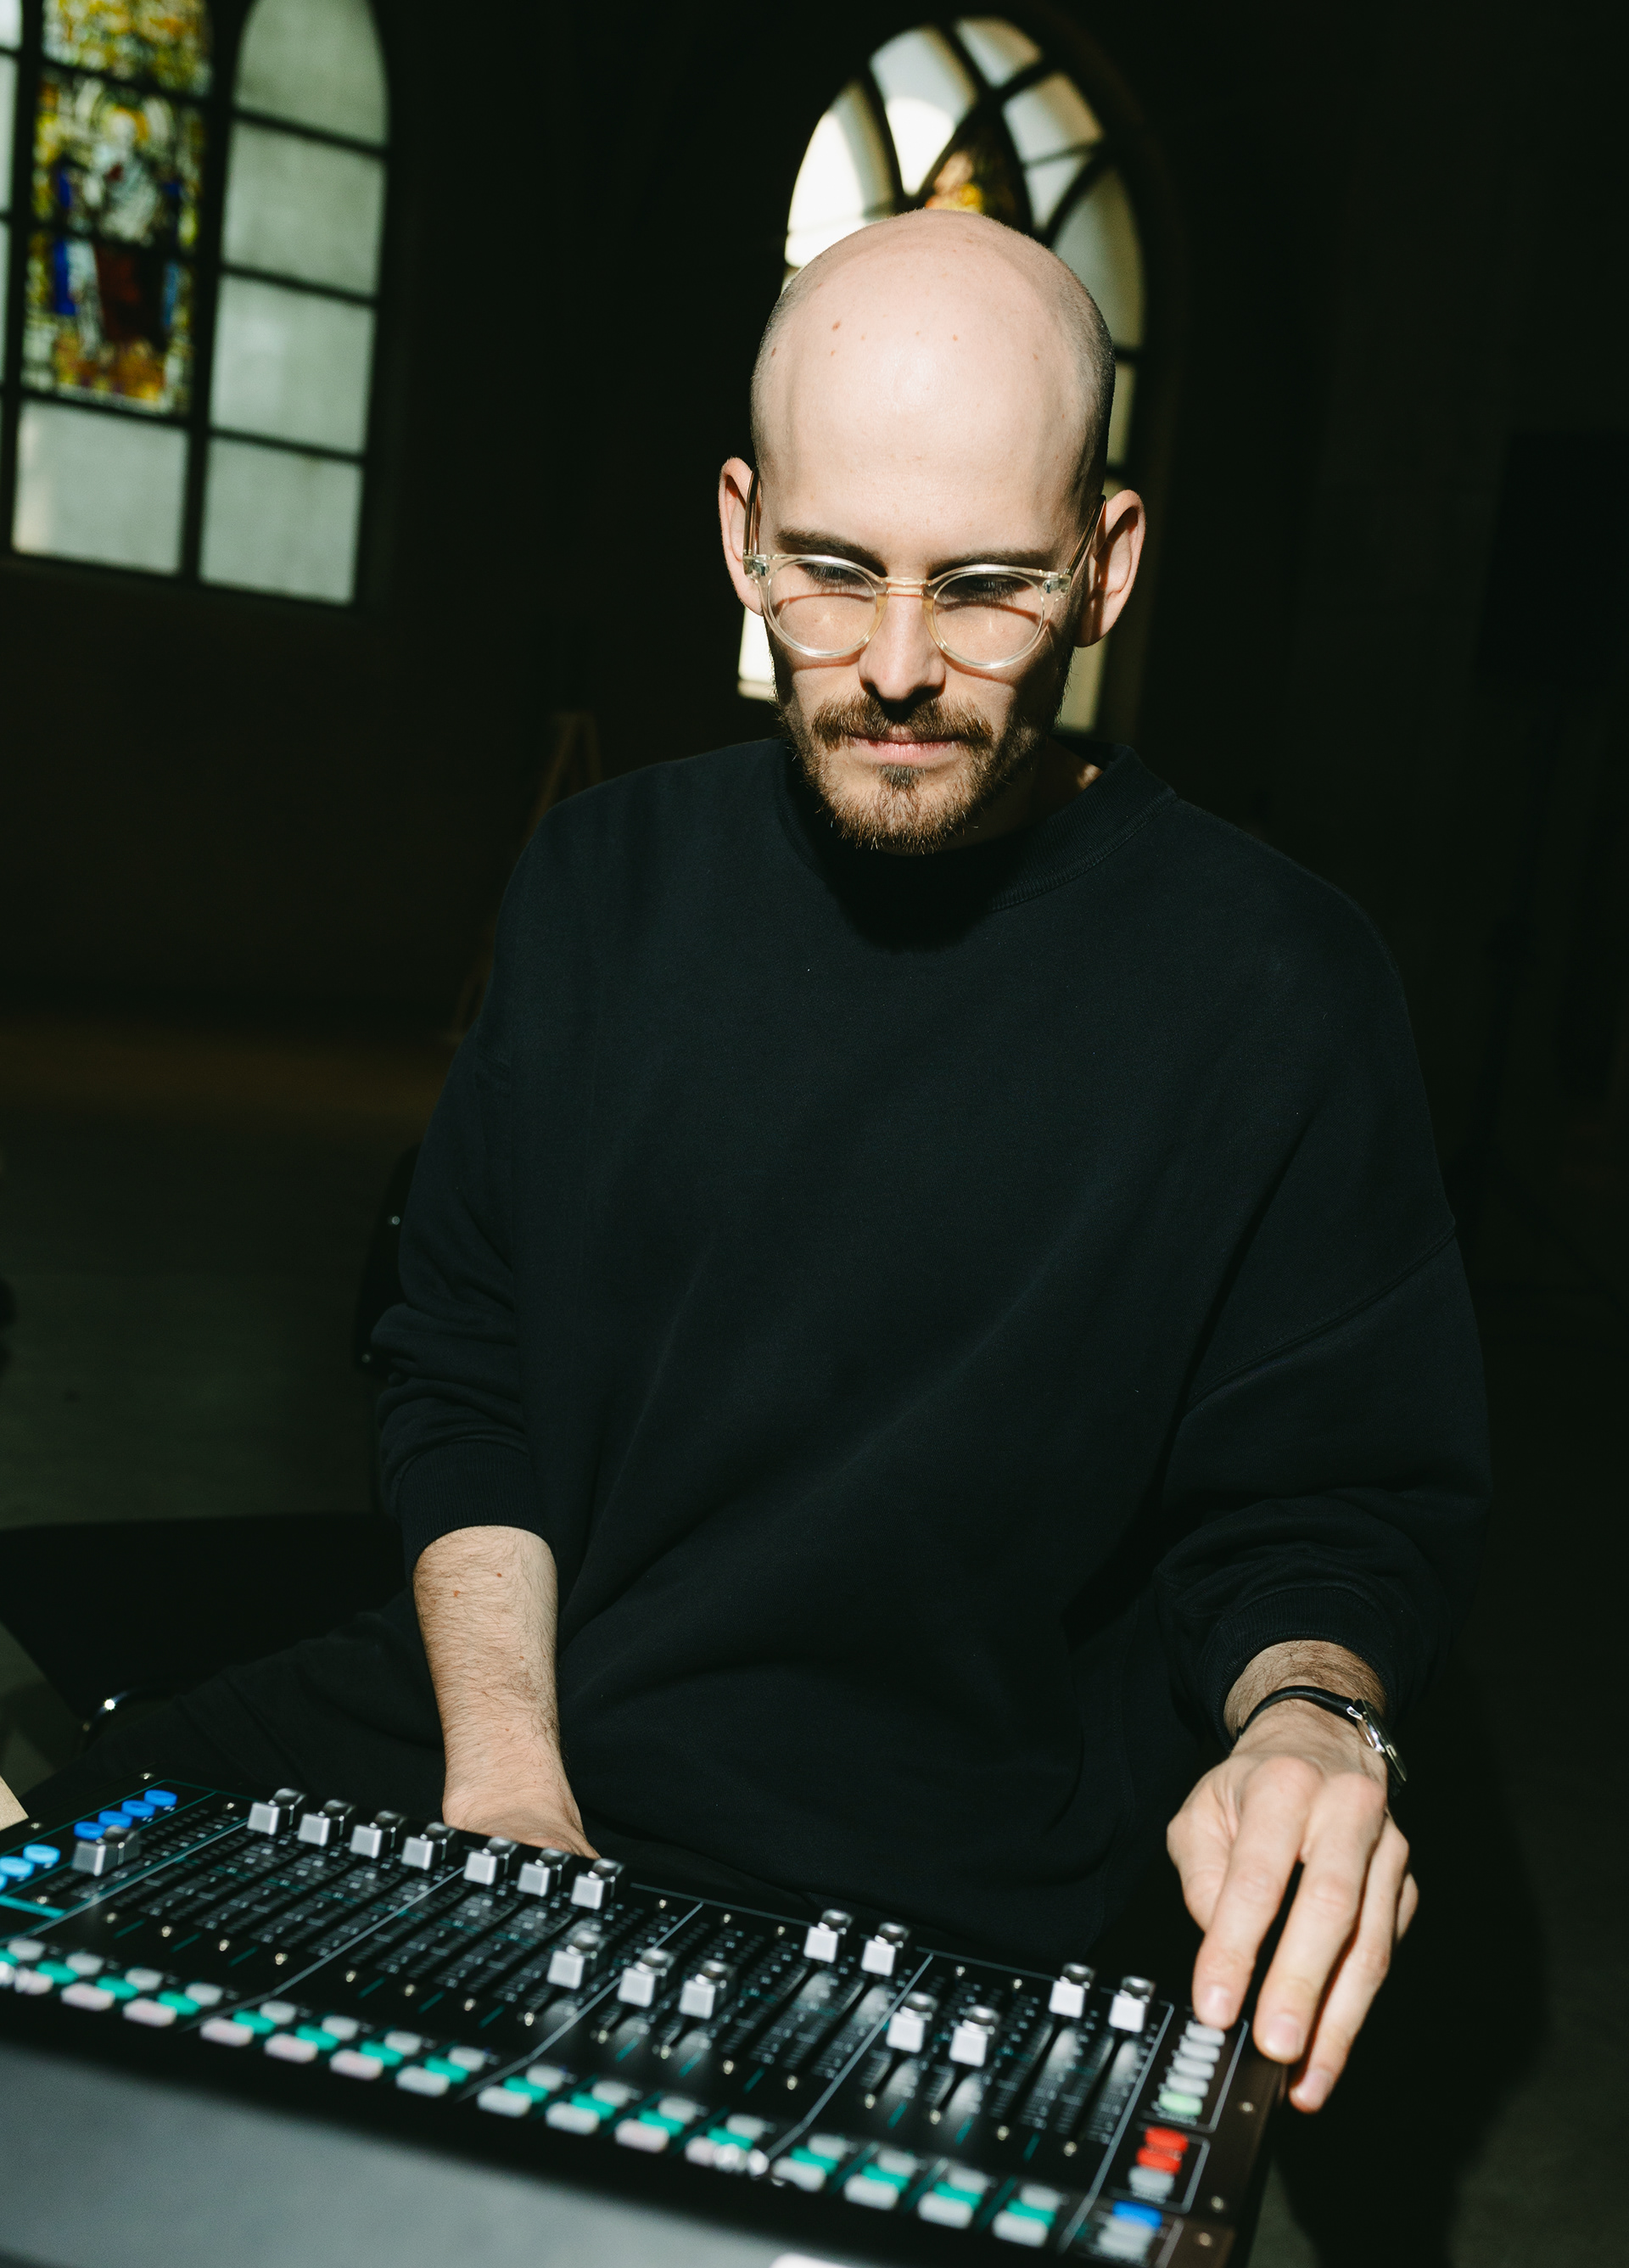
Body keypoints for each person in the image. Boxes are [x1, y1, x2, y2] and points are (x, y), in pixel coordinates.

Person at [10, 212, 1488, 2114]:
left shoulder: (1281, 984)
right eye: (829, 573)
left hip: (947, 1868)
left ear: (1107, 563)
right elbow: (465, 1364)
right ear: (740, 532)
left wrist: (1314, 1724)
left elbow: (1327, 1501)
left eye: (987, 588)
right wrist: (509, 1792)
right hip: (505, 1724)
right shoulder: (600, 881)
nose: (896, 667)